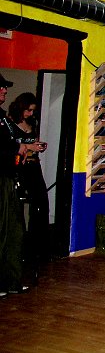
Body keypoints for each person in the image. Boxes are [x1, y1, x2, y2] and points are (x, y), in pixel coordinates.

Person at [0, 74, 45, 296]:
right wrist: (18, 149)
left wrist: (23, 148)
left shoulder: (2, 118)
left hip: (11, 176)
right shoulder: (7, 119)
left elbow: (12, 143)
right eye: (1, 87)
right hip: (3, 176)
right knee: (3, 230)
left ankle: (11, 281)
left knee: (15, 230)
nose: (4, 90)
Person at [8, 92, 49, 265]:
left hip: (33, 166)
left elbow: (33, 143)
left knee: (41, 202)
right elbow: (11, 145)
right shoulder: (10, 123)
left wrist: (38, 146)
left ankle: (37, 246)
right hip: (20, 167)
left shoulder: (32, 123)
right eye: (28, 110)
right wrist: (28, 146)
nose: (30, 114)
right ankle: (20, 247)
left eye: (33, 111)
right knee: (17, 205)